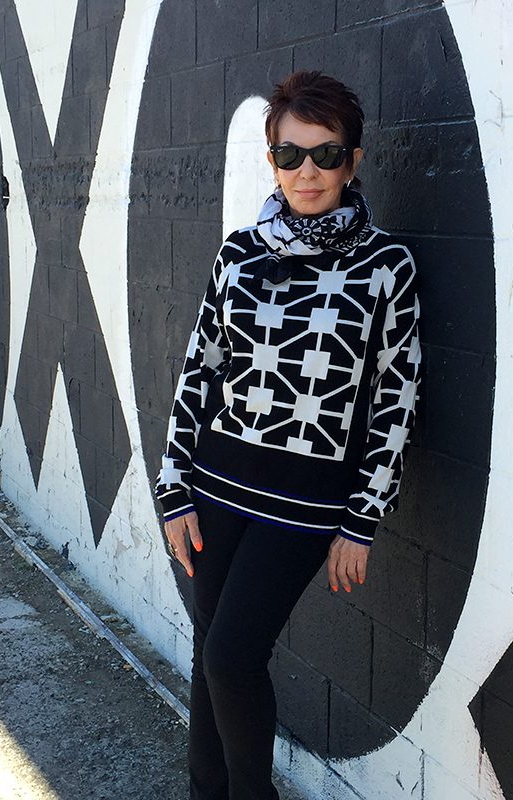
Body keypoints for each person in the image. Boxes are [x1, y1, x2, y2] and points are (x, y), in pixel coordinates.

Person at [154, 70, 421, 800]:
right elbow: (199, 372)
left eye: (326, 154)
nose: (308, 172)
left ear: (354, 161)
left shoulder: (385, 267)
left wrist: (361, 520)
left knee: (233, 656)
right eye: (289, 155)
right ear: (270, 159)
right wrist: (174, 487)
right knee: (212, 657)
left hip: (303, 508)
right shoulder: (239, 253)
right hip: (214, 490)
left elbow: (396, 401)